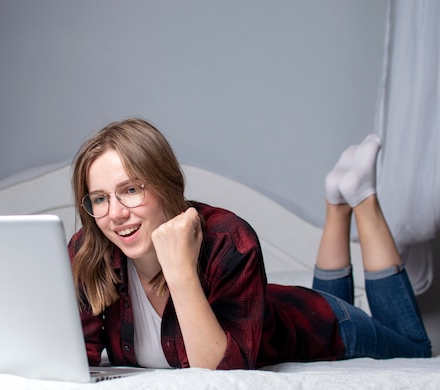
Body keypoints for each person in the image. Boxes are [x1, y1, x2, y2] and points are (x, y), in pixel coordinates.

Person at [67, 118, 432, 370]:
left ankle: (362, 198)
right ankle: (337, 201)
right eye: (99, 198)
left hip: (327, 324)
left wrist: (178, 271)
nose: (114, 213)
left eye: (130, 190)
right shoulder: (89, 252)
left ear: (165, 185)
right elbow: (71, 355)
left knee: (417, 349)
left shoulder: (228, 239)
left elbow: (223, 371)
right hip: (284, 304)